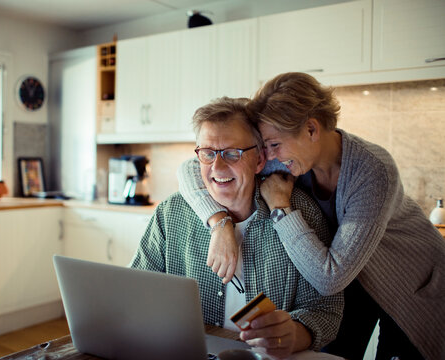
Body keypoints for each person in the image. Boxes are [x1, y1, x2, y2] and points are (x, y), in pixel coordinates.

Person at [176, 72, 445, 360]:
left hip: (414, 283)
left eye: (274, 145)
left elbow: (329, 278)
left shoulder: (373, 171)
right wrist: (220, 223)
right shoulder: (290, 155)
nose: (269, 155)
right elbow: (192, 168)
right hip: (353, 279)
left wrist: (280, 207)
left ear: (312, 130)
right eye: (266, 146)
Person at [130, 97, 343, 359]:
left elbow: (326, 310)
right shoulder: (171, 213)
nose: (217, 167)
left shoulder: (300, 212)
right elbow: (135, 292)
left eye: (232, 153)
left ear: (260, 159)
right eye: (207, 153)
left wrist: (296, 334)